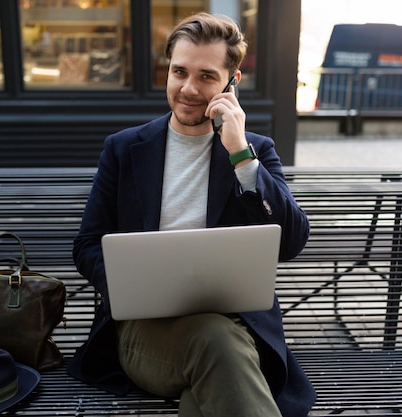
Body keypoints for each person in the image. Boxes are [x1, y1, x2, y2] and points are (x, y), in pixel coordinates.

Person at [68, 12, 316, 417]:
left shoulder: (254, 150)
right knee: (216, 342)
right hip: (145, 332)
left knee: (213, 370)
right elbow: (86, 245)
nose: (188, 88)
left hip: (240, 327)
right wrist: (133, 280)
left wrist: (240, 155)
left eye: (206, 76)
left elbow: (291, 242)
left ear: (230, 83)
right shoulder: (124, 148)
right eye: (179, 71)